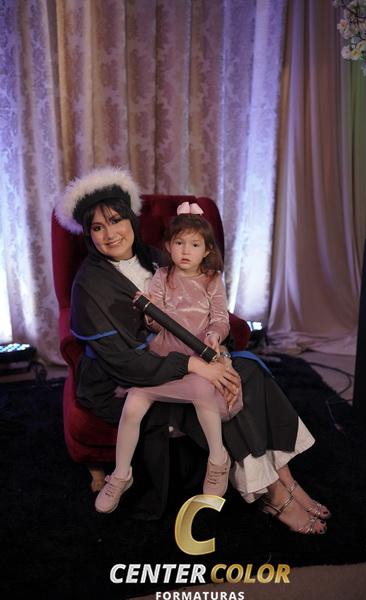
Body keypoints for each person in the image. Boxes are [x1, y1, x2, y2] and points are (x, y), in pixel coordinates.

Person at [56, 166, 330, 535]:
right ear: (89, 235)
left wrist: (218, 351)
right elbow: (123, 362)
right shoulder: (89, 285)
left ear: (131, 219)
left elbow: (201, 310)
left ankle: (286, 478)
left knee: (248, 370)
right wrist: (198, 366)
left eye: (116, 220)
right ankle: (273, 494)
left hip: (178, 358)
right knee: (221, 388)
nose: (110, 234)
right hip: (124, 379)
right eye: (98, 227)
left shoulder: (156, 258)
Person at [95, 204, 244, 513]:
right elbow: (155, 324)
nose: (186, 251)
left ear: (206, 250)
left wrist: (214, 335)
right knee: (134, 401)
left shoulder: (212, 280)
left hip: (199, 355)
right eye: (179, 243)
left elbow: (221, 318)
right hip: (165, 355)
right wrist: (150, 313)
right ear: (168, 246)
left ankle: (218, 458)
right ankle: (121, 475)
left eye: (194, 244)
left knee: (202, 389)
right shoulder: (162, 276)